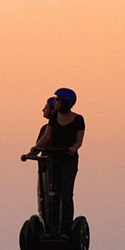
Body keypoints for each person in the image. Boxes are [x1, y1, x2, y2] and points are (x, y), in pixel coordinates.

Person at [31, 88, 85, 238]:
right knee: (51, 192)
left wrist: (73, 148)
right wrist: (35, 149)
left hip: (68, 159)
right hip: (53, 159)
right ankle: (51, 228)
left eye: (58, 100)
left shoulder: (78, 119)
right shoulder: (54, 118)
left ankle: (65, 229)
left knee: (66, 194)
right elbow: (47, 136)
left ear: (66, 103)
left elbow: (79, 141)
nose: (55, 102)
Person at [35, 97, 56, 221]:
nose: (43, 110)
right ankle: (46, 220)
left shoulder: (46, 129)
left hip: (49, 166)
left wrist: (33, 151)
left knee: (48, 195)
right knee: (44, 195)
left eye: (46, 108)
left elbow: (39, 145)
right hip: (44, 166)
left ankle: (50, 221)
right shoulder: (44, 128)